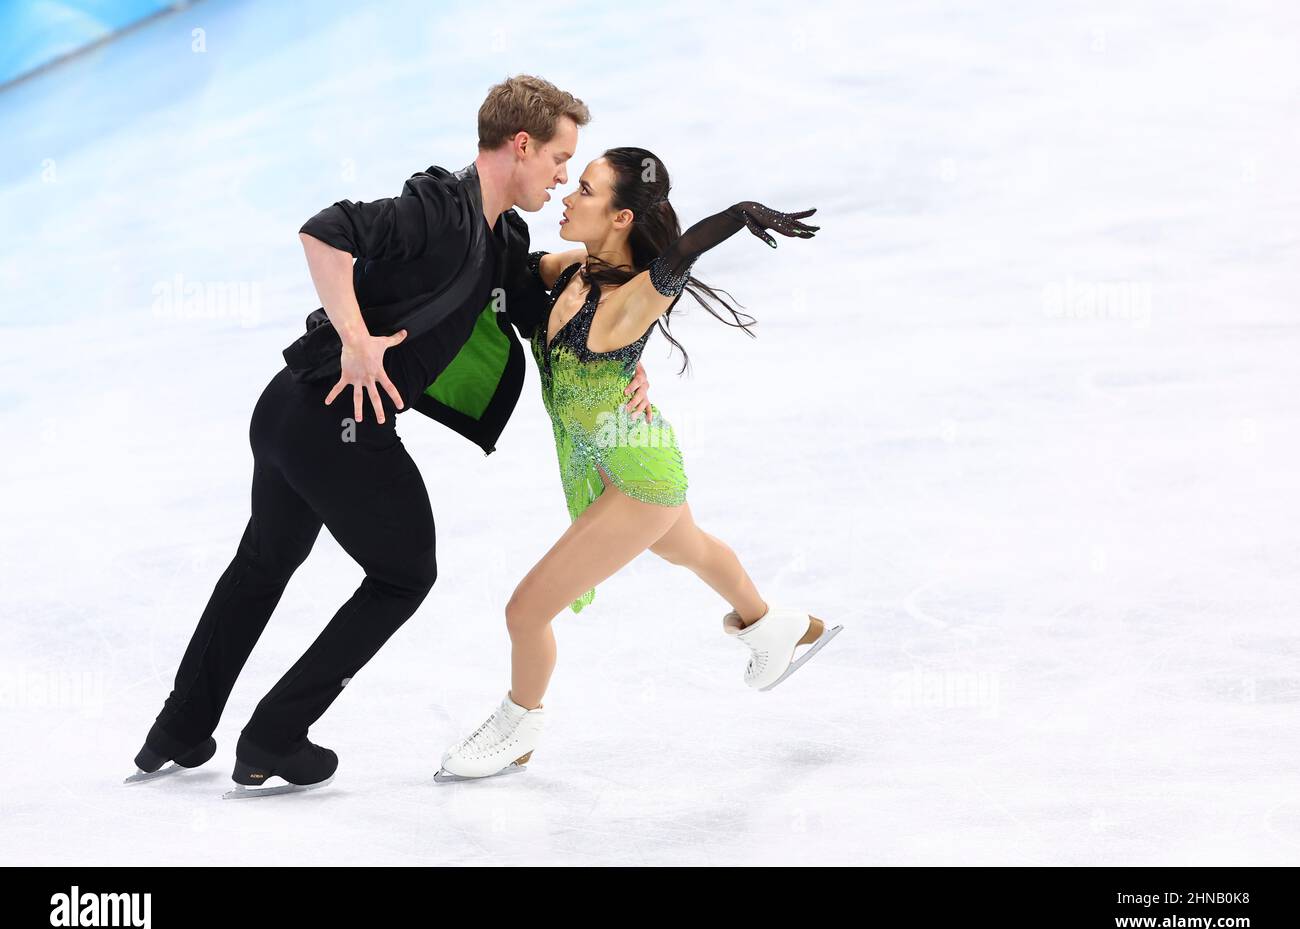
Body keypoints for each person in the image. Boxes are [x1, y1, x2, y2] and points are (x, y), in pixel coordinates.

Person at [124, 76, 657, 797]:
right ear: (522, 145)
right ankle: (275, 735)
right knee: (405, 573)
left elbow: (537, 307)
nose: (564, 174)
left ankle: (180, 729)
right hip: (330, 422)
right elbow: (325, 230)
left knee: (263, 562)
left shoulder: (501, 233)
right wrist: (355, 338)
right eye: (560, 157)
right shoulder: (440, 205)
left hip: (287, 410)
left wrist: (627, 355)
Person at [435, 147, 844, 782]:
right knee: (692, 550)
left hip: (637, 480)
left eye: (587, 189)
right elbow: (510, 269)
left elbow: (679, 259)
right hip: (629, 454)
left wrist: (739, 214)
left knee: (526, 611)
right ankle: (774, 628)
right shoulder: (576, 270)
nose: (568, 194)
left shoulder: (629, 303)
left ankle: (519, 726)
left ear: (621, 216)